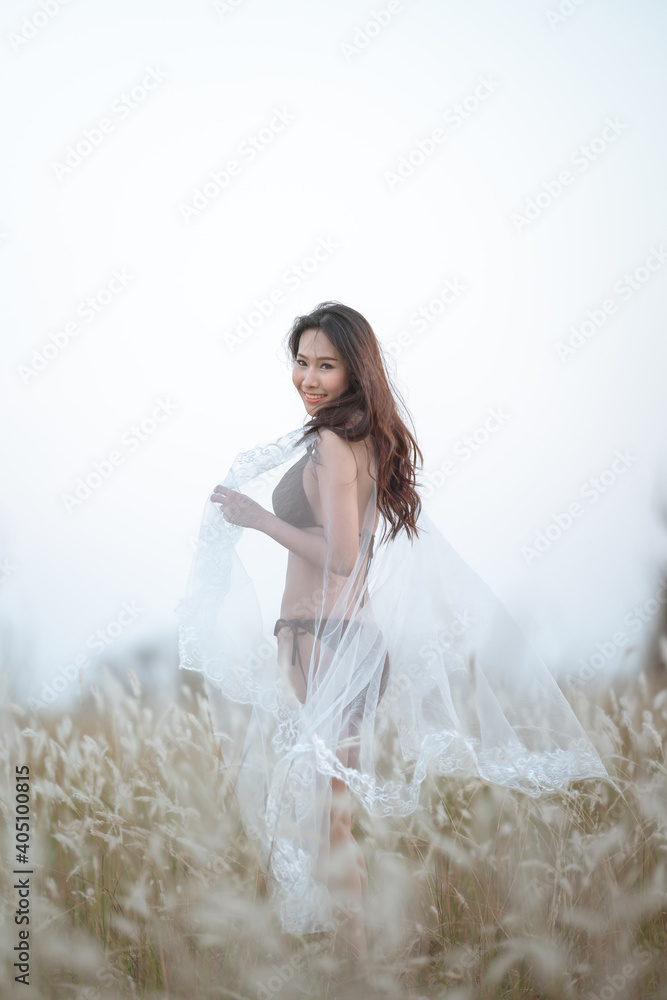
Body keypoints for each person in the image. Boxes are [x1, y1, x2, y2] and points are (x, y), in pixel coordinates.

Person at [175, 301, 615, 962]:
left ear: (355, 370)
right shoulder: (359, 438)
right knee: (328, 815)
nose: (308, 377)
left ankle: (362, 965)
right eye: (301, 362)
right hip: (340, 639)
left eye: (326, 364)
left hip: (323, 639)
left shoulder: (330, 442)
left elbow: (345, 554)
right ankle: (358, 957)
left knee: (328, 820)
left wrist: (255, 518)